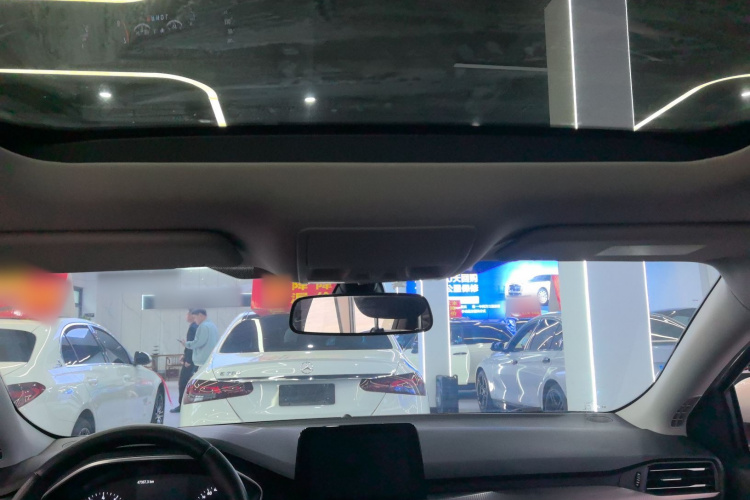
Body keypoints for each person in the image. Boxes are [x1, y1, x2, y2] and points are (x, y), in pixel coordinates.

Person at [171, 309, 198, 414]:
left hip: (190, 362)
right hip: (192, 359)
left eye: (187, 314)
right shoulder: (196, 326)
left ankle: (182, 406)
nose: (186, 316)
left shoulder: (193, 327)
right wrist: (185, 355)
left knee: (183, 383)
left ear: (192, 315)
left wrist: (188, 360)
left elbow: (192, 345)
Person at [179, 308, 219, 374]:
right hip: (211, 358)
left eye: (195, 317)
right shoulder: (212, 325)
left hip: (203, 360)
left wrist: (186, 344)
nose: (194, 320)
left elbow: (198, 342)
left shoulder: (203, 326)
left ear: (200, 315)